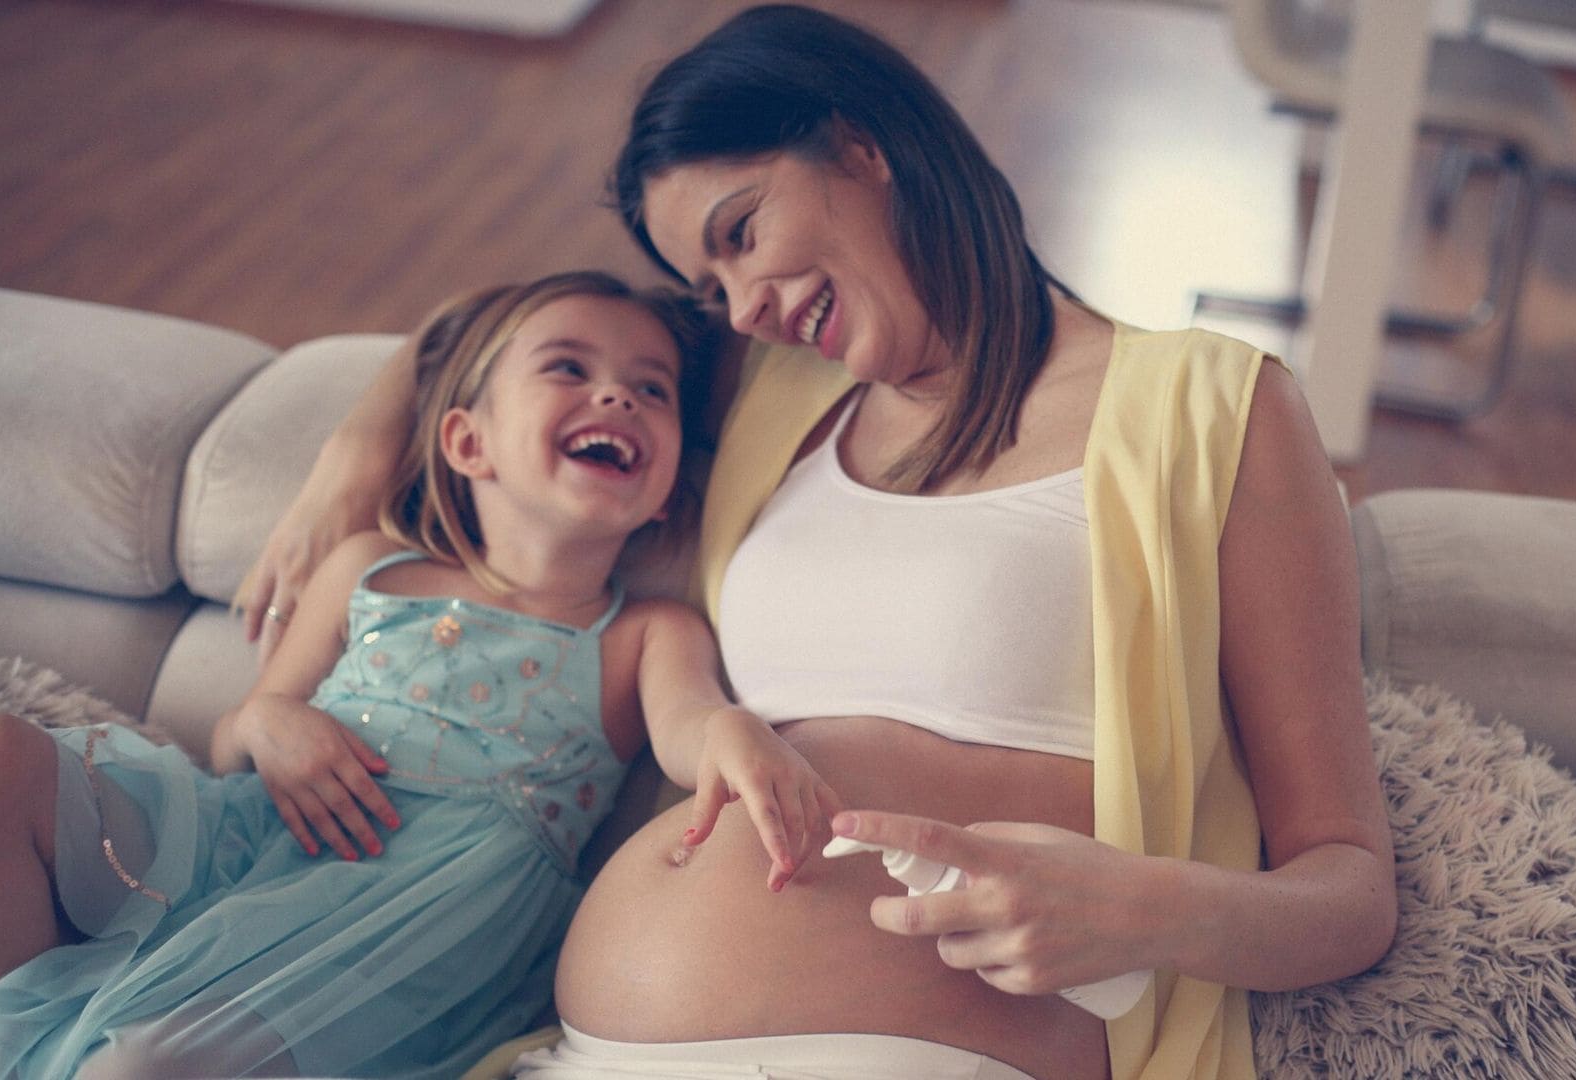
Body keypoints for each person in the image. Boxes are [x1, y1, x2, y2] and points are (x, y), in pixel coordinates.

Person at [240, 6, 1398, 1079]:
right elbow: (491, 331)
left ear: (860, 145)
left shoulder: (1214, 410)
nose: (739, 305)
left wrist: (1138, 907)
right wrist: (349, 464)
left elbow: (1347, 890)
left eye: (743, 233)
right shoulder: (775, 394)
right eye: (709, 280)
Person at [0, 269, 839, 1078]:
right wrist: (270, 724)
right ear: (469, 442)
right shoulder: (369, 567)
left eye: (653, 389)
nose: (616, 394)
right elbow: (241, 727)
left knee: (150, 1065)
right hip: (249, 837)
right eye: (568, 368)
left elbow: (688, 723)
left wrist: (731, 730)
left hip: (418, 921)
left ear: (663, 496)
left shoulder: (648, 631)